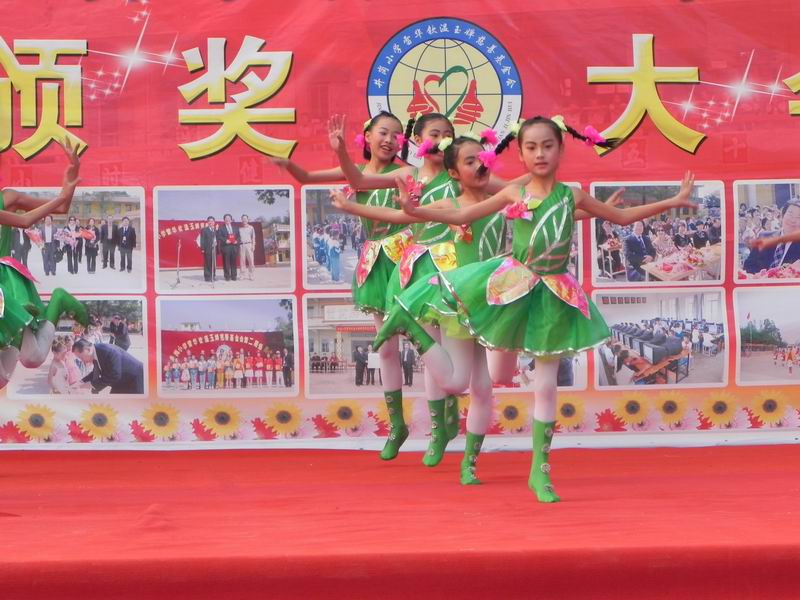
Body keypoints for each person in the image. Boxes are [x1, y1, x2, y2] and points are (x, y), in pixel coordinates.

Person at [375, 115, 696, 501]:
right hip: (514, 287)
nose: (540, 153)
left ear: (560, 150)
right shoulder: (514, 193)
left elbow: (623, 217)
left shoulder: (572, 196)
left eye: (547, 146)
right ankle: (414, 331)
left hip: (554, 293)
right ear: (521, 156)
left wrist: (672, 201)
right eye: (531, 147)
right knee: (482, 379)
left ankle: (540, 471)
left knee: (540, 384)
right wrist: (416, 212)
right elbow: (461, 215)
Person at [0, 139, 87, 389]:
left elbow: (56, 209)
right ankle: (21, 327)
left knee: (34, 357)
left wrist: (71, 178)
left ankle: (58, 300)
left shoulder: (7, 198)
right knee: (18, 366)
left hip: (3, 286)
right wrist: (61, 196)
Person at [744, 199, 800, 273]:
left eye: (799, 217)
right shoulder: (764, 236)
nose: (793, 220)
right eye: (790, 214)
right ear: (782, 215)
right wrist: (762, 276)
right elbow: (748, 266)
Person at [74, 339, 144, 394]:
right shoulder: (96, 352)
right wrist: (81, 382)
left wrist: (92, 384)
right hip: (121, 380)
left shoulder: (107, 351)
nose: (82, 361)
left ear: (88, 349)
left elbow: (114, 375)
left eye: (81, 357)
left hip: (134, 379)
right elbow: (96, 371)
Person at [217, 213, 240, 281]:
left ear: (231, 220)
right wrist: (225, 240)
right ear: (224, 220)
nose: (227, 220)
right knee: (226, 262)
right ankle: (227, 276)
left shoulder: (235, 228)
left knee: (234, 262)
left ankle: (234, 276)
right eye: (226, 218)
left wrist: (237, 241)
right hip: (226, 247)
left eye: (229, 218)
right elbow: (219, 236)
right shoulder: (221, 228)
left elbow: (239, 236)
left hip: (234, 247)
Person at [199, 216, 218, 282]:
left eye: (212, 221)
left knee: (214, 263)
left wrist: (216, 243)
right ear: (207, 222)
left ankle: (213, 276)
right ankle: (207, 277)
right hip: (207, 249)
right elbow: (202, 240)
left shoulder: (215, 230)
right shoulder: (204, 230)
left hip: (214, 249)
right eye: (209, 221)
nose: (211, 222)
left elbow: (217, 239)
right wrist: (202, 248)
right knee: (207, 263)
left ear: (214, 222)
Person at [238, 214, 256, 280]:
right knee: (242, 261)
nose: (244, 220)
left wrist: (253, 245)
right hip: (242, 245)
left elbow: (253, 237)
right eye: (243, 219)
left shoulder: (251, 228)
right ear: (241, 220)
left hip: (249, 245)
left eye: (245, 218)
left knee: (251, 261)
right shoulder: (240, 229)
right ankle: (242, 275)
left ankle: (251, 275)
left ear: (248, 220)